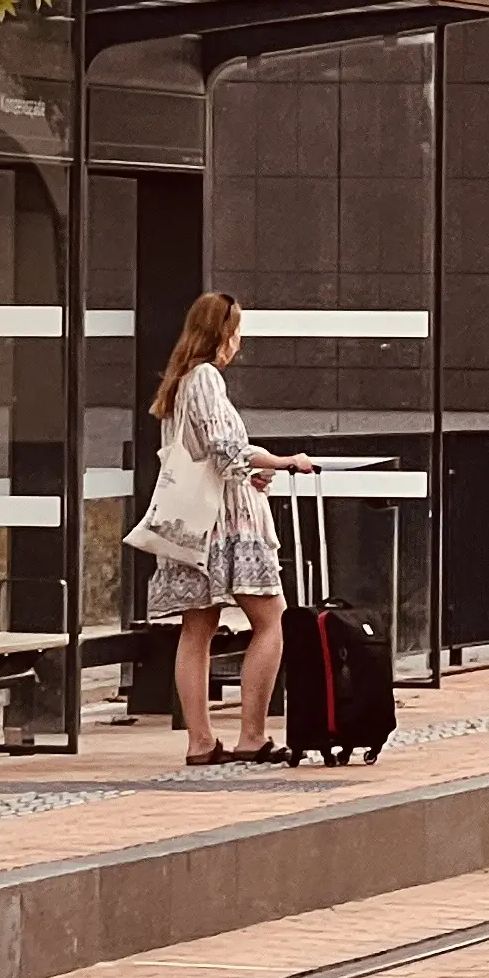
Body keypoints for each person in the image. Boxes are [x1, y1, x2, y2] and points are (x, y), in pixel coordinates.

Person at [142, 293, 317, 764]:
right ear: (223, 333)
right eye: (236, 331)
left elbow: (214, 455)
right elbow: (227, 450)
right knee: (271, 619)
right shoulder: (206, 379)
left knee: (197, 627)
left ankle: (201, 741)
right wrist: (284, 461)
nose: (239, 342)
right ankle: (252, 736)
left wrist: (249, 467)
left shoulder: (181, 382)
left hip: (196, 522)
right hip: (227, 524)